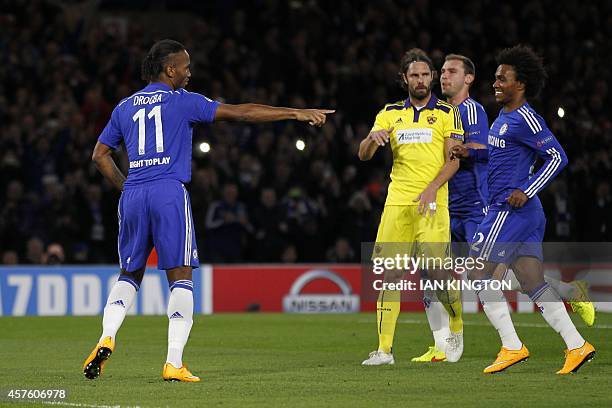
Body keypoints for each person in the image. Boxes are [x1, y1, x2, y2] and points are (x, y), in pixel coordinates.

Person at [83, 39, 334, 382]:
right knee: (181, 278)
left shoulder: (124, 107)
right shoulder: (183, 102)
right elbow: (242, 112)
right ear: (169, 69)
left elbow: (99, 155)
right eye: (185, 67)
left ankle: (107, 336)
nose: (189, 73)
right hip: (168, 191)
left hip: (134, 194)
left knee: (129, 275)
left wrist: (127, 187)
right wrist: (295, 113)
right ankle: (173, 362)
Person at [455, 45, 595, 374]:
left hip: (509, 210)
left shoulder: (526, 118)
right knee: (532, 281)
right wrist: (471, 153)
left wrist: (526, 188)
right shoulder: (502, 118)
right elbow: (500, 158)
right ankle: (577, 346)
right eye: (495, 78)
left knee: (477, 273)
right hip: (522, 215)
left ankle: (512, 346)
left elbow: (558, 157)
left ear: (521, 84)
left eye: (503, 79)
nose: (495, 83)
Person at [359, 48, 465, 366]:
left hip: (433, 203)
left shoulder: (448, 113)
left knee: (437, 273)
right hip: (397, 203)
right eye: (414, 75)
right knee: (389, 275)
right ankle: (384, 350)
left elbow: (454, 161)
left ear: (431, 77)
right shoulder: (390, 113)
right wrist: (371, 139)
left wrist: (432, 189)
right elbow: (363, 155)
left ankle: (456, 326)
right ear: (404, 79)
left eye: (425, 74)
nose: (420, 80)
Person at [412, 54, 489, 363]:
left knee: (499, 273)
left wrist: (465, 150)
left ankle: (567, 292)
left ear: (468, 78)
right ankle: (441, 345)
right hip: (442, 207)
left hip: (473, 207)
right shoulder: (438, 113)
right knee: (429, 275)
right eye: (441, 71)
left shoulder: (472, 110)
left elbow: (484, 151)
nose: (444, 76)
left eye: (452, 71)